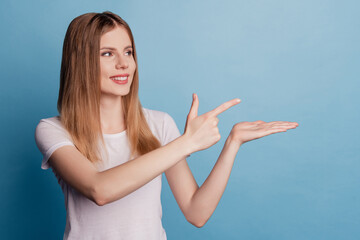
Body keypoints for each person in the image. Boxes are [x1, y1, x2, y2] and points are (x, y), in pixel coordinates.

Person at [35, 11, 299, 240]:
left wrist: (233, 143)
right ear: (80, 62)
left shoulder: (159, 124)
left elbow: (196, 213)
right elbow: (100, 190)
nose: (124, 64)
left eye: (128, 52)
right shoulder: (53, 130)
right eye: (107, 53)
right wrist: (186, 143)